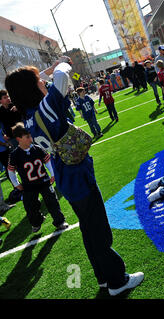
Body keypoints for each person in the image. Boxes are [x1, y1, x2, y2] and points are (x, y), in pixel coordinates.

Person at [4, 57, 144, 296]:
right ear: (31, 86)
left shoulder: (27, 115)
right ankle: (117, 280)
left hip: (64, 173)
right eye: (37, 79)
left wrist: (38, 78)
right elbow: (61, 75)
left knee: (89, 229)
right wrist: (60, 62)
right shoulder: (45, 107)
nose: (42, 80)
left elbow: (49, 84)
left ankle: (103, 278)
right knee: (98, 229)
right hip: (77, 173)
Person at [7, 123, 68, 233]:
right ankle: (36, 222)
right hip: (28, 185)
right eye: (27, 137)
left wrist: (52, 174)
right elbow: (11, 171)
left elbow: (48, 161)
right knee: (30, 207)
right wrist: (16, 184)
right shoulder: (15, 155)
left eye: (30, 136)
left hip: (44, 181)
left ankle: (60, 221)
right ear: (18, 139)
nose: (31, 139)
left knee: (52, 201)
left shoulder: (38, 149)